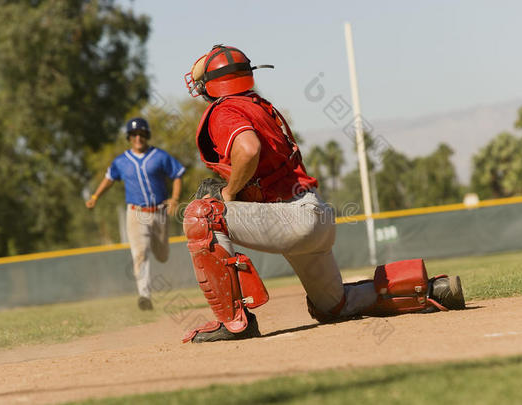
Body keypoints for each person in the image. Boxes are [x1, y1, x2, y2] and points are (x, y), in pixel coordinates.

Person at [181, 45, 465, 343]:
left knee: (202, 214)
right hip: (312, 215)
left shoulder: (225, 109)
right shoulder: (258, 105)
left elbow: (248, 149)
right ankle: (434, 290)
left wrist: (228, 192)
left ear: (210, 86)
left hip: (290, 218)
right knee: (333, 305)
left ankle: (234, 323)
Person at [86, 117, 185, 310]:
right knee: (140, 253)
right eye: (134, 135)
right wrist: (95, 196)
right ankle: (144, 296)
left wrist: (174, 198)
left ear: (147, 135)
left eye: (141, 134)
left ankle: (148, 287)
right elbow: (109, 179)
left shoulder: (159, 156)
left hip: (159, 211)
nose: (138, 138)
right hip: (136, 212)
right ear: (129, 137)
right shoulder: (121, 161)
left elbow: (178, 174)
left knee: (162, 255)